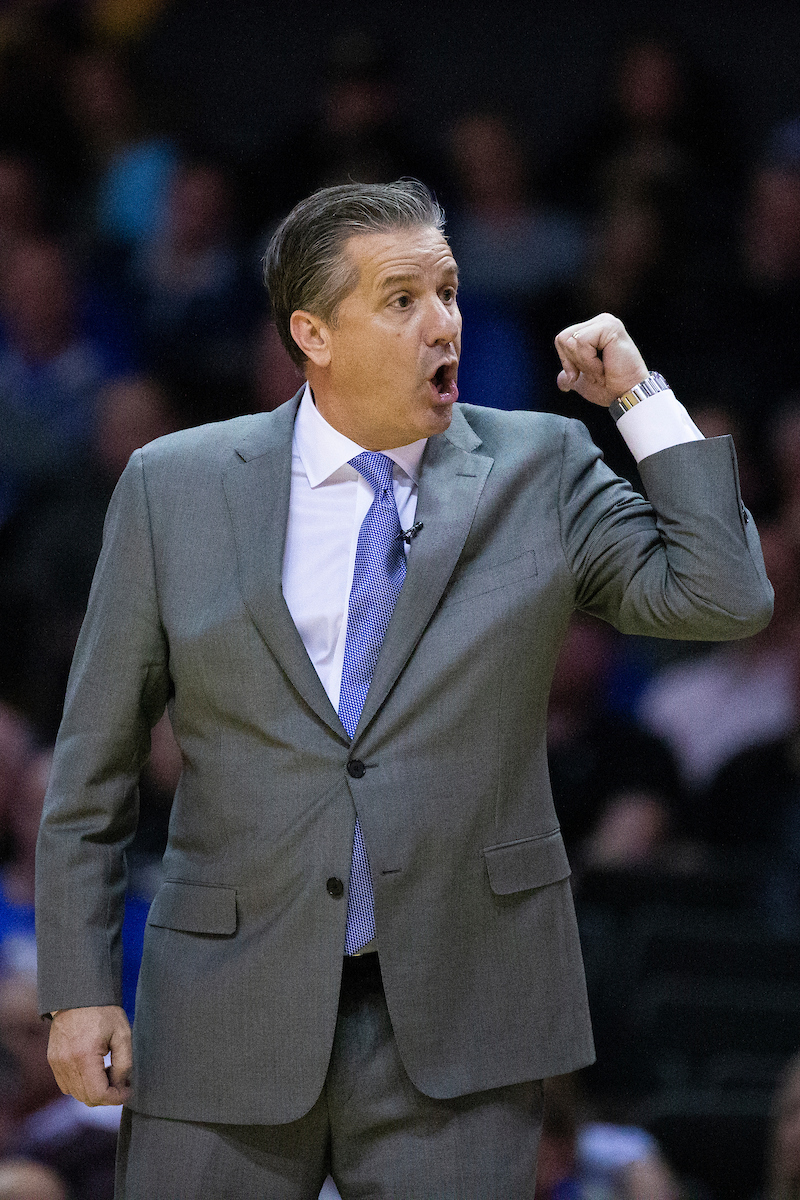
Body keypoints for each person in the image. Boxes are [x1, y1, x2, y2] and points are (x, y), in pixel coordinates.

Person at [35, 180, 773, 1199]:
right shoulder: (176, 484)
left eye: (449, 291)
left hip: (463, 1012)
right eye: (400, 299)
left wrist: (639, 402)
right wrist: (77, 989)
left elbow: (723, 598)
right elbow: (93, 766)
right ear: (312, 332)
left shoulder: (540, 464)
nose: (442, 322)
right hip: (224, 1007)